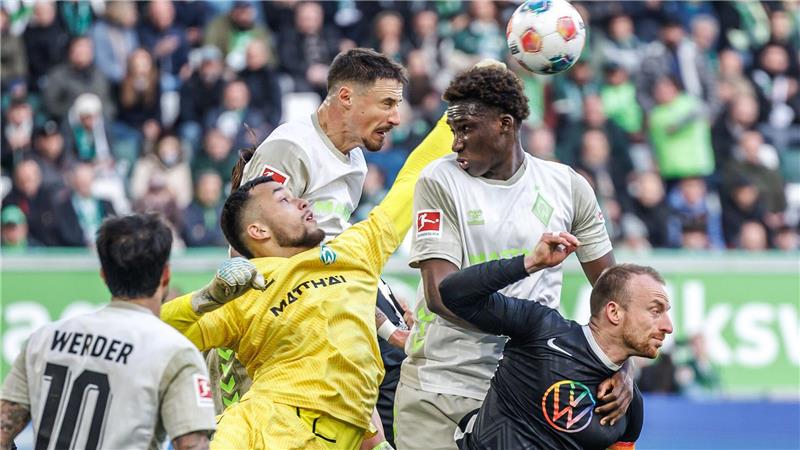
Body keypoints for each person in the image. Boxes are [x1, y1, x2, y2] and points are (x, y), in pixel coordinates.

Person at [159, 113, 452, 449]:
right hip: (262, 433)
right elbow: (152, 333)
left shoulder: (352, 251)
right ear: (259, 231)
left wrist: (457, 111)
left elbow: (411, 181)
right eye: (285, 200)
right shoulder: (244, 291)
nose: (302, 201)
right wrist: (206, 298)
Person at [394, 65, 630, 450]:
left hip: (528, 394)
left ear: (505, 124)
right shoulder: (439, 180)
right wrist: (536, 333)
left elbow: (617, 293)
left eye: (466, 129)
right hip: (444, 387)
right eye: (454, 131)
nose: (456, 144)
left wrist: (621, 364)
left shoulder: (566, 185)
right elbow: (440, 295)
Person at [222, 47, 415, 446]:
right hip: (286, 322)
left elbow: (334, 245)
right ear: (346, 97)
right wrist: (381, 321)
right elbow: (253, 245)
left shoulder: (355, 160)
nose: (396, 117)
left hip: (332, 304)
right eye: (387, 103)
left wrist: (383, 295)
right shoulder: (291, 148)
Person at [0, 214, 216, 450]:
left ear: (103, 275)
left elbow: (3, 430)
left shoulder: (42, 339)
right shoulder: (175, 352)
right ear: (165, 275)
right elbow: (191, 445)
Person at [444, 233, 672, 449]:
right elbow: (452, 293)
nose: (668, 327)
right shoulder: (541, 328)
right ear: (614, 313)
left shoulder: (627, 402)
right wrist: (530, 262)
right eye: (655, 311)